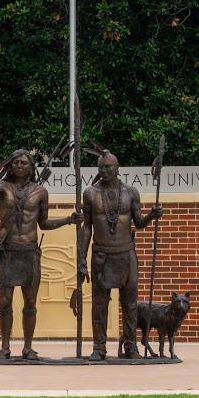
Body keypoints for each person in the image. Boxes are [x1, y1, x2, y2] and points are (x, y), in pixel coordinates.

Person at [0, 149, 78, 360]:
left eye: (24, 163)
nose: (19, 166)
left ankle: (28, 347)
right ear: (10, 165)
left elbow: (44, 223)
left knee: (30, 302)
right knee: (5, 302)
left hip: (29, 252)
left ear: (31, 167)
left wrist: (68, 220)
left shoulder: (40, 191)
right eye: (16, 163)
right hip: (8, 250)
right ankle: (5, 346)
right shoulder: (3, 187)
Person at [78, 151, 163, 360]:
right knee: (99, 306)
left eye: (108, 167)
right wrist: (81, 258)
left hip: (126, 254)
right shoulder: (90, 193)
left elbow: (139, 223)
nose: (104, 170)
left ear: (117, 168)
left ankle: (130, 346)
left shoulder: (131, 192)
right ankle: (99, 348)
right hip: (101, 255)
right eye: (101, 167)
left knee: (130, 304)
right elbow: (86, 228)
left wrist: (151, 216)